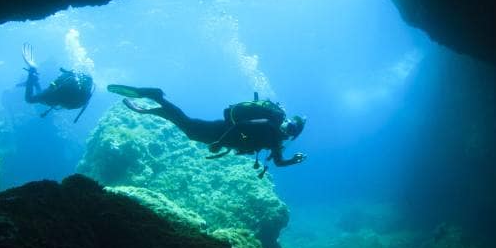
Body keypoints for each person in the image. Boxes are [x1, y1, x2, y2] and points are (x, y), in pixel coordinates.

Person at [107, 84, 306, 178]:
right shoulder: (268, 124)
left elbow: (278, 162)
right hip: (221, 131)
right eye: (289, 124)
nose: (288, 129)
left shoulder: (276, 141)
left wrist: (292, 161)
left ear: (293, 134)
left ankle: (158, 107)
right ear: (286, 120)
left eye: (292, 129)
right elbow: (240, 126)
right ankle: (157, 97)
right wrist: (219, 142)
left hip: (225, 138)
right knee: (190, 128)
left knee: (189, 128)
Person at [20, 43, 94, 122]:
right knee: (37, 98)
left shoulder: (75, 84)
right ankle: (34, 80)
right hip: (68, 99)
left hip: (61, 95)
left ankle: (32, 70)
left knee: (30, 99)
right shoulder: (83, 90)